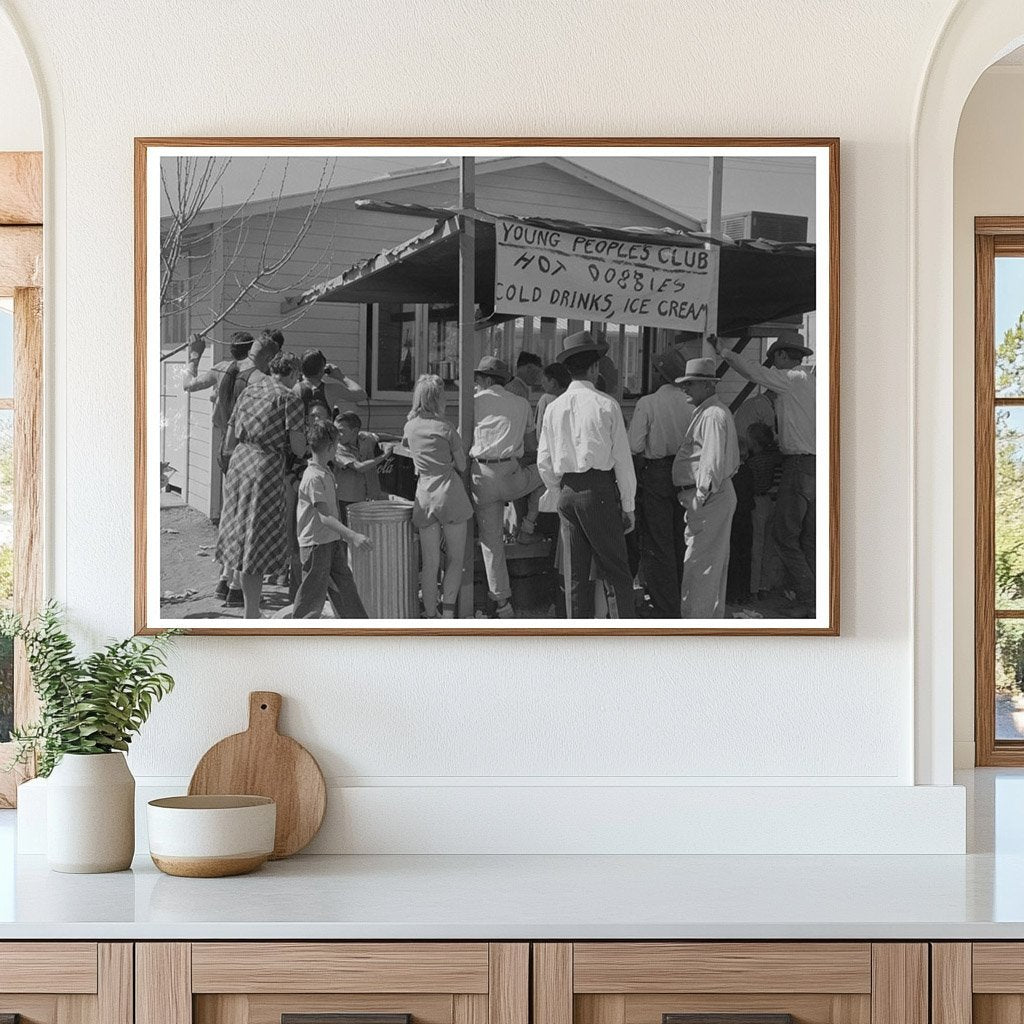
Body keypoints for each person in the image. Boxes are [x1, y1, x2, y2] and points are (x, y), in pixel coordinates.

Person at [713, 330, 817, 615]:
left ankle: (809, 598)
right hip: (817, 465)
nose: (773, 365)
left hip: (799, 465)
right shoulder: (815, 383)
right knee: (808, 537)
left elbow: (753, 371)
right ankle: (813, 599)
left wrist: (724, 352)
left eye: (775, 358)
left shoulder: (792, 380)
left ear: (783, 356)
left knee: (784, 535)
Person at [537, 331, 636, 619]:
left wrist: (558, 491)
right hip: (598, 491)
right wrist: (628, 506)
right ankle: (624, 638)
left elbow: (544, 460)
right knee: (616, 570)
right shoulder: (607, 405)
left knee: (575, 577)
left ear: (568, 370)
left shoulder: (554, 408)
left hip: (567, 491)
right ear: (594, 368)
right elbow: (622, 461)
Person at [216, 352, 307, 618]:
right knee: (255, 543)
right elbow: (299, 448)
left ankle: (246, 605)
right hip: (265, 469)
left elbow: (231, 438)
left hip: (240, 463)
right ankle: (251, 613)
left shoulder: (250, 391)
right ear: (291, 373)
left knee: (240, 537)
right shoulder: (289, 398)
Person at [181, 330, 254, 600]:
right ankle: (234, 582)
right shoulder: (256, 374)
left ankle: (225, 577)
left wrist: (194, 356)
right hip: (246, 447)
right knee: (243, 515)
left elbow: (188, 384)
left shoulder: (220, 370)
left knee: (230, 513)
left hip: (224, 446)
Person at [469, 356, 542, 617]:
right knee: (550, 470)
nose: (476, 384)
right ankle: (528, 525)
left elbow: (460, 438)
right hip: (511, 473)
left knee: (491, 543)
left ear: (487, 380)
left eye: (478, 379)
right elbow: (533, 447)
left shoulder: (474, 402)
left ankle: (503, 605)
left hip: (481, 475)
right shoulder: (522, 403)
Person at [627, 347, 694, 617]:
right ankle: (683, 599)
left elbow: (634, 444)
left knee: (658, 542)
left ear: (659, 373)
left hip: (656, 474)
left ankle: (664, 606)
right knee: (683, 538)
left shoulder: (648, 402)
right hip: (687, 473)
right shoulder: (692, 402)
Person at [672, 357, 740, 619]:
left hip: (710, 496)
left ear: (707, 385)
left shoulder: (712, 415)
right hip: (712, 496)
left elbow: (711, 462)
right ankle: (706, 621)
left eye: (690, 384)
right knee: (708, 564)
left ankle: (696, 625)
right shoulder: (711, 412)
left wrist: (700, 497)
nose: (685, 389)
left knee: (701, 565)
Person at [403, 374, 473, 619]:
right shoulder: (446, 428)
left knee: (430, 563)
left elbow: (409, 450)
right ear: (437, 399)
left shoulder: (409, 426)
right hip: (450, 495)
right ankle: (448, 614)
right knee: (455, 560)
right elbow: (463, 466)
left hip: (424, 496)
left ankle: (430, 615)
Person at [292, 418, 372, 620]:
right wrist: (352, 536)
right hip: (316, 545)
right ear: (330, 447)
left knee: (345, 589)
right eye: (336, 445)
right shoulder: (313, 477)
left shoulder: (324, 471)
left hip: (330, 541)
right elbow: (324, 516)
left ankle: (359, 629)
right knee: (311, 597)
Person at [333, 410, 387, 520]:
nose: (337, 435)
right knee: (349, 531)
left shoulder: (365, 438)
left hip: (369, 496)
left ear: (355, 431)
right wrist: (384, 456)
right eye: (336, 431)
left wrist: (403, 439)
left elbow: (379, 436)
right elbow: (359, 467)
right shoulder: (337, 448)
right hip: (346, 499)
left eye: (341, 431)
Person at [294, 348, 368, 418]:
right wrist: (341, 377)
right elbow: (362, 395)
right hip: (323, 430)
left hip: (300, 431)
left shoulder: (294, 388)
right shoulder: (332, 390)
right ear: (322, 370)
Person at [535, 362, 570, 435]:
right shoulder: (572, 398)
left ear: (553, 382)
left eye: (544, 381)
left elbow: (540, 430)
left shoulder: (546, 399)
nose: (542, 384)